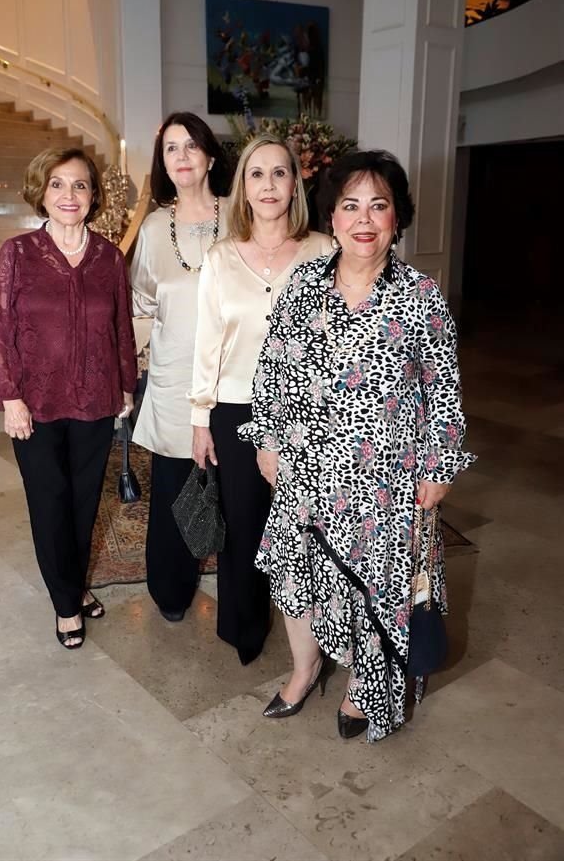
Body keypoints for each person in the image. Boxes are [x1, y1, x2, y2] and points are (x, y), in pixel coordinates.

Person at [240, 149, 475, 737]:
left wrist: (439, 466)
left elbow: (443, 389)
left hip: (384, 481)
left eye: (378, 205)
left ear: (397, 217)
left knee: (374, 589)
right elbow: (271, 369)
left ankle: (362, 688)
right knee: (296, 578)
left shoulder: (421, 296)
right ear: (332, 216)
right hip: (304, 468)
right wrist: (267, 439)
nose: (364, 219)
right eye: (350, 206)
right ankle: (304, 669)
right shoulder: (303, 286)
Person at [190, 134, 333, 665]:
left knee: (312, 529)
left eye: (279, 173)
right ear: (242, 188)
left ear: (295, 184)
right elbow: (207, 343)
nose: (268, 185)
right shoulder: (220, 257)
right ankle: (245, 627)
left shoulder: (325, 250)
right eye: (256, 174)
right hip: (236, 409)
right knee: (244, 523)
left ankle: (322, 635)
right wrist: (200, 419)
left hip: (309, 412)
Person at [0, 148, 137, 649]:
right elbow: (0, 328)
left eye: (79, 185)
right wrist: (9, 396)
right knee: (49, 502)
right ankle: (66, 605)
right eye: (57, 184)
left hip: (95, 399)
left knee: (83, 503)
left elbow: (121, 327)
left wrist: (125, 385)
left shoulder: (109, 258)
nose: (68, 195)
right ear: (42, 192)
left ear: (93, 196)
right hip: (35, 404)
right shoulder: (18, 253)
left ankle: (74, 586)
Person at [130, 112, 231, 622]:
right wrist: (127, 377)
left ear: (210, 155)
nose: (182, 156)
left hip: (234, 380)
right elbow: (141, 307)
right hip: (173, 382)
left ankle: (241, 602)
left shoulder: (242, 216)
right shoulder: (153, 228)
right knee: (173, 489)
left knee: (236, 491)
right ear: (163, 162)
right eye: (171, 148)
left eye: (191, 145)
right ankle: (170, 589)